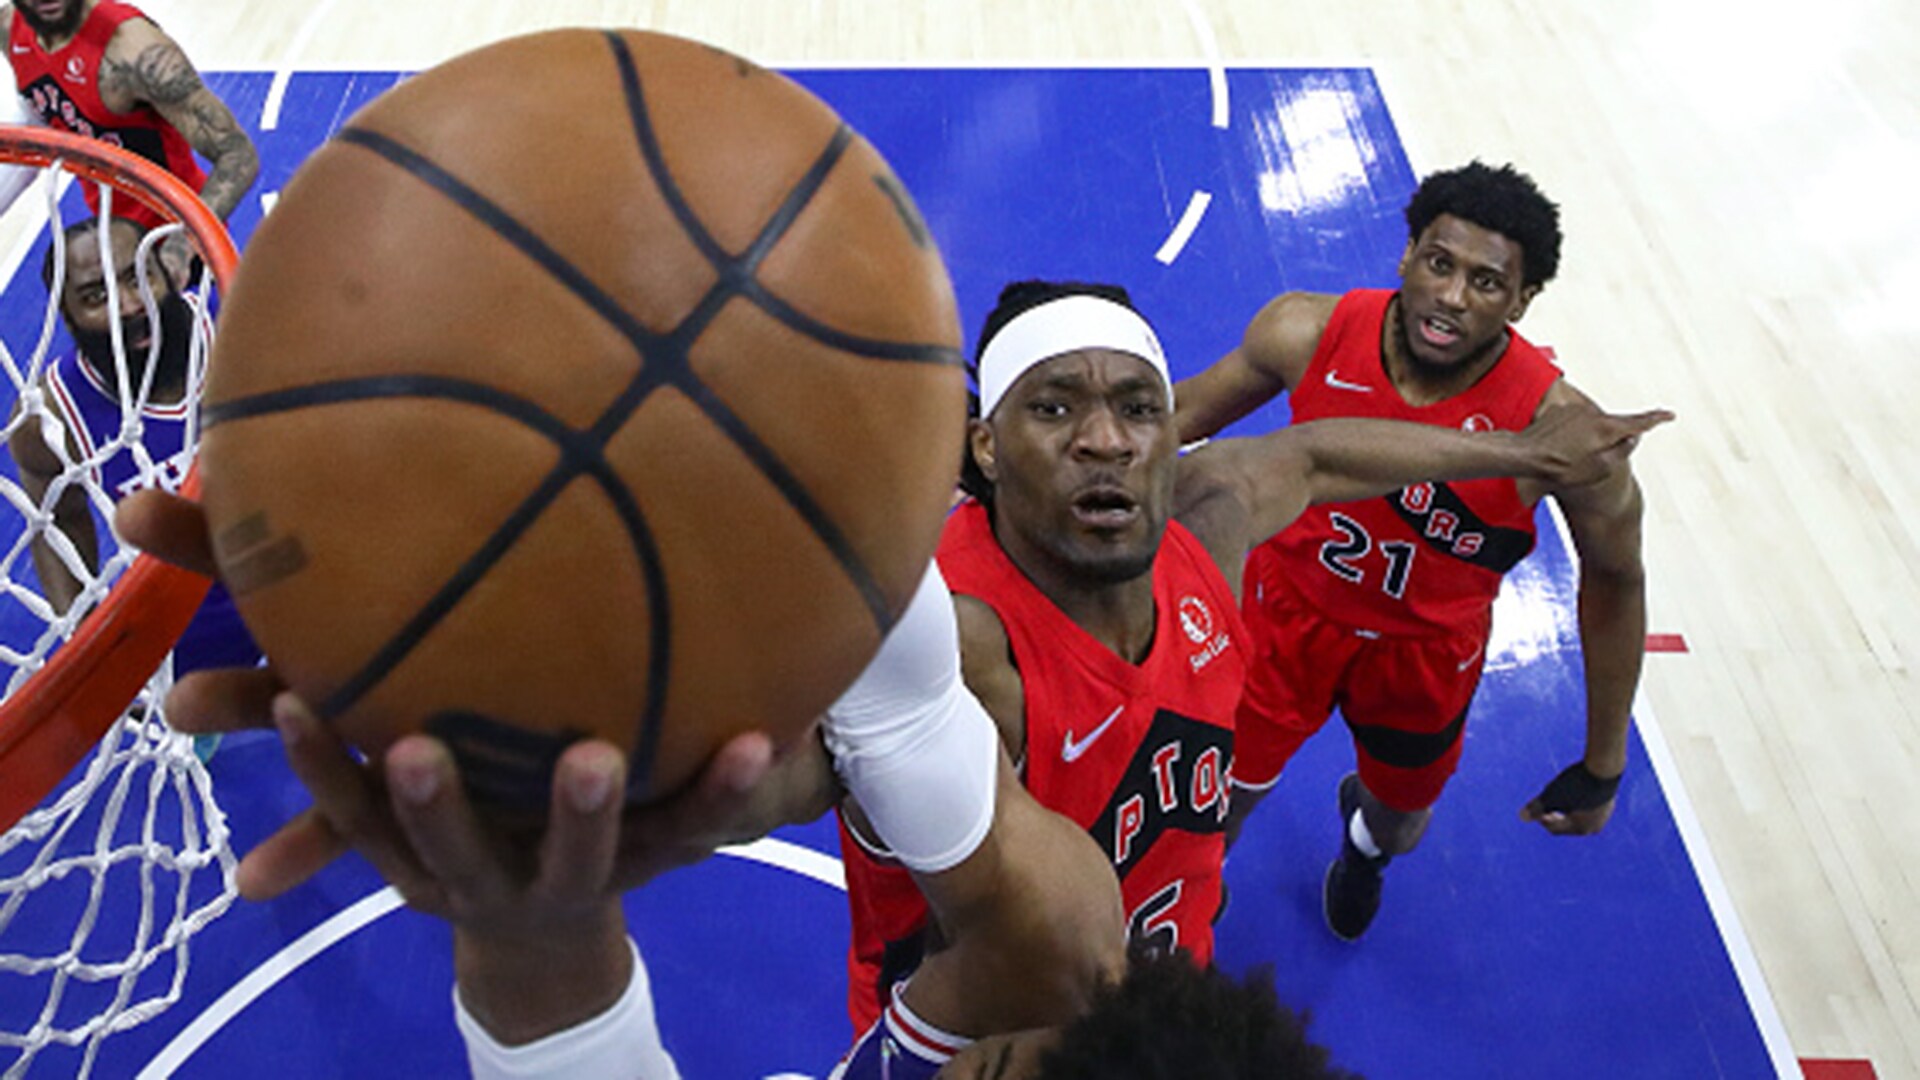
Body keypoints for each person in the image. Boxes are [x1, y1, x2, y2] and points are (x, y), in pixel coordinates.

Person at [117, 487, 1360, 1080]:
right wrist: (788, 479)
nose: (980, 1058)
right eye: (1006, 1058)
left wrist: (520, 915)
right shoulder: (1061, 971)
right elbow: (912, 715)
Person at [835, 278, 1672, 1028]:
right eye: (1054, 409)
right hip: (990, 1031)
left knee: (1354, 819)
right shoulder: (948, 637)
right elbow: (799, 768)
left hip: (1161, 992)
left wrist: (1524, 455)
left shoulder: (1206, 525)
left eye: (1138, 410)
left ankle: (1364, 847)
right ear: (987, 442)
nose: (1107, 441)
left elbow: (1314, 454)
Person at [1173, 161, 1655, 941]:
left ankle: (1362, 849)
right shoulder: (1305, 330)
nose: (1453, 297)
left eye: (1487, 283)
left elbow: (1617, 579)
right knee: (1210, 804)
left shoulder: (1559, 431)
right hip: (1281, 619)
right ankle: (1185, 903)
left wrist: (1604, 762)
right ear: (1406, 254)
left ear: (1524, 301)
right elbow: (1186, 412)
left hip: (1426, 656)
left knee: (1398, 824)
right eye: (1440, 264)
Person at [7, 218, 258, 681]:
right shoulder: (55, 415)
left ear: (168, 272)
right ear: (67, 319)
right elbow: (56, 519)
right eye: (95, 297)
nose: (129, 304)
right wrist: (84, 636)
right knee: (200, 727)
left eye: (137, 275)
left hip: (304, 575)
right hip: (188, 622)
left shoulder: (244, 323)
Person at [1, 0, 258, 248]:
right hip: (113, 236)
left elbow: (238, 155)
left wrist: (181, 249)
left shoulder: (135, 52)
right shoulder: (10, 28)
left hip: (175, 234)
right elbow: (37, 111)